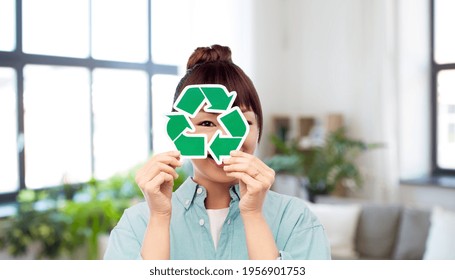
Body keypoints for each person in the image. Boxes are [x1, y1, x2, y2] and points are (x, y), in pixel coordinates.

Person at [104, 44, 331, 260]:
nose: (226, 139)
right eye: (207, 124)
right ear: (179, 132)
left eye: (240, 122)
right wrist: (160, 218)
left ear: (259, 128)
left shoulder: (296, 219)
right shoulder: (136, 224)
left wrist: (253, 215)